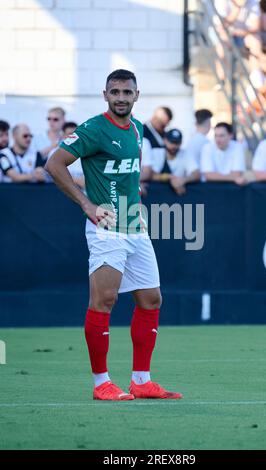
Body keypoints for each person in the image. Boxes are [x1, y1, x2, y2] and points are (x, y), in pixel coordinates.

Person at [45, 69, 182, 401]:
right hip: (106, 229)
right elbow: (54, 164)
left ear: (137, 95)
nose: (121, 97)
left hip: (135, 226)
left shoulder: (136, 129)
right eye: (115, 92)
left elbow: (123, 174)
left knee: (151, 300)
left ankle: (141, 380)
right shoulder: (93, 129)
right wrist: (87, 204)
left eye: (127, 92)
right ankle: (101, 383)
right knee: (104, 301)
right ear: (105, 95)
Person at [151, 129, 200, 195]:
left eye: (177, 143)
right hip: (156, 196)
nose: (174, 146)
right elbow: (150, 175)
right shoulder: (157, 153)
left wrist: (183, 180)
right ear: (165, 140)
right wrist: (169, 177)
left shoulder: (185, 154)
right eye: (171, 142)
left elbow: (196, 174)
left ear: (181, 143)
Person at [47, 122, 85, 189]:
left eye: (75, 134)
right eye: (70, 134)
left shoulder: (86, 153)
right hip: (60, 191)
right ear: (63, 135)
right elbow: (53, 175)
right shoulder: (54, 153)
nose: (74, 137)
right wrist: (76, 180)